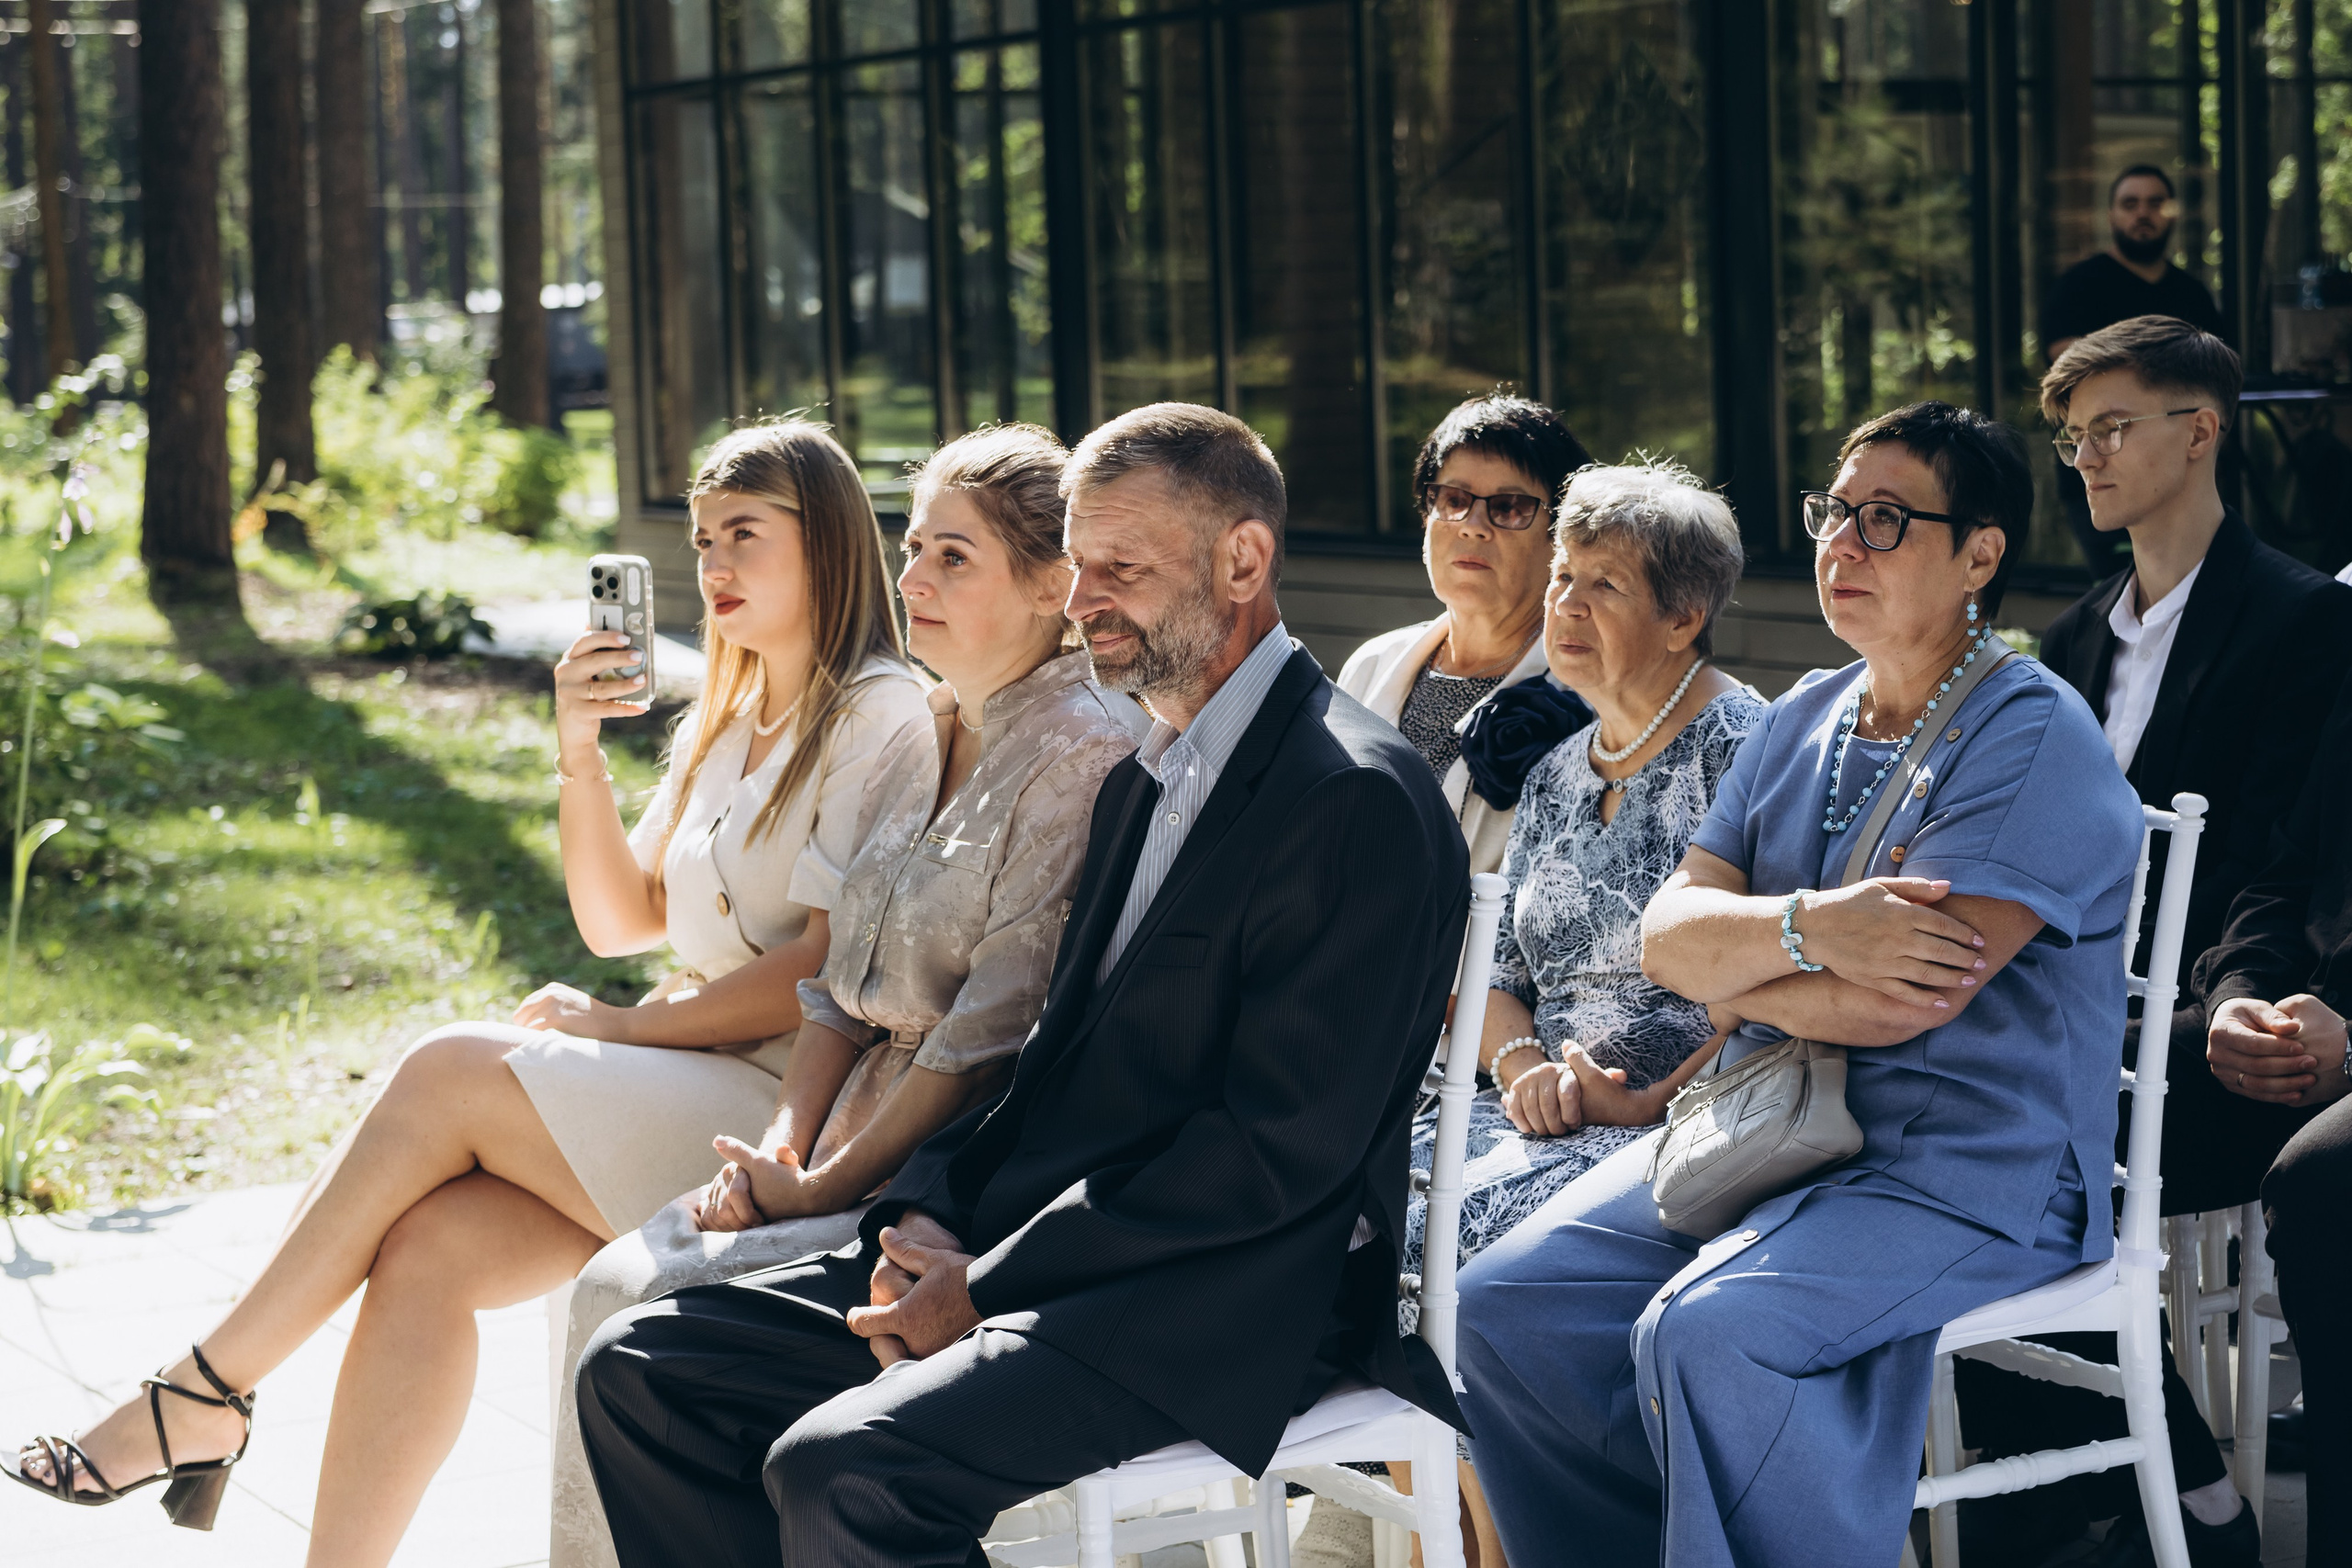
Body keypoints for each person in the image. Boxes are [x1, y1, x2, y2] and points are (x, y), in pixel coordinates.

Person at [2, 421, 934, 1562]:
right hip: (690, 1080)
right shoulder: (731, 719)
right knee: (427, 1253)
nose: (715, 567)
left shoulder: (877, 712)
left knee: (453, 1065)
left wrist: (622, 1024)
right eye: (700, 542)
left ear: (830, 544)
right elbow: (620, 918)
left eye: (746, 534)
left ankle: (200, 1393)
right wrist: (578, 745)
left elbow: (817, 974)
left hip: (787, 1116)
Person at [575, 402, 1472, 1568]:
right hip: (1038, 1254)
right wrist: (928, 1215)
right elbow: (1046, 1065)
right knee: (645, 1370)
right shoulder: (1148, 774)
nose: (1085, 594)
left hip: (1212, 1300)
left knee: (845, 1471)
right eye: (1080, 562)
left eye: (1123, 568)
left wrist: (987, 1282)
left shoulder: (1351, 796)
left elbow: (1269, 1157)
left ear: (1243, 559)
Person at [1453, 400, 2145, 1568]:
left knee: (1704, 1333)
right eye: (1834, 513)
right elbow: (1668, 943)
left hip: (1967, 1167)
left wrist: (1743, 973)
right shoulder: (1805, 715)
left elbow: (1903, 1003)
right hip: (1762, 1129)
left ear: (1980, 553)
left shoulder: (2031, 734)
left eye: (1887, 521)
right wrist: (1812, 926)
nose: (1842, 545)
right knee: (1503, 1305)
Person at [543, 423, 1148, 1568]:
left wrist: (818, 1184)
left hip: (947, 1168)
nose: (909, 578)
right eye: (912, 548)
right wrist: (776, 1155)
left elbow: (981, 1045)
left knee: (633, 1309)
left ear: (1051, 584)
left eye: (952, 559)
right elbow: (829, 990)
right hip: (837, 1128)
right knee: (614, 1296)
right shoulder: (927, 723)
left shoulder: (1083, 753)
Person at [1958, 315, 2352, 1566]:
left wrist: (2244, 993)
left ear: (2201, 430)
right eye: (2073, 439)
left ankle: (2131, 1492)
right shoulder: (2068, 645)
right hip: (2087, 1011)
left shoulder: (2303, 620)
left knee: (1988, 1132)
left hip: (2219, 1019)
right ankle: (2161, 1475)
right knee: (1957, 1116)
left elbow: (2279, 864)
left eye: (2114, 427)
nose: (2088, 458)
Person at [1391, 460, 1760, 1566]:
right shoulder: (1555, 767)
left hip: (1681, 1112)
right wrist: (1517, 1072)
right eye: (1562, 578)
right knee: (1342, 1198)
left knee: (1445, 1235)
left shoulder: (1746, 749)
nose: (1563, 605)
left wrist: (1617, 1084)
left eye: (1600, 585)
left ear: (1683, 614)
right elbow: (1498, 970)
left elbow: (1748, 982)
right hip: (1535, 1104)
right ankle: (1462, 1535)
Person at [1340, 393, 1596, 873]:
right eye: (1453, 500)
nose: (1474, 526)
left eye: (1510, 507)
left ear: (1562, 539)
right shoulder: (1371, 664)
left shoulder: (1589, 698)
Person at [2042, 166, 2225, 573]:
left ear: (2172, 214)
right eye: (2131, 204)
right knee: (2117, 589)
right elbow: (2068, 365)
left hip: (2182, 474)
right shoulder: (2079, 286)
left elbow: (2216, 375)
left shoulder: (2191, 294)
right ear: (2111, 216)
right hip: (2101, 476)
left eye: (2155, 203)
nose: (2143, 213)